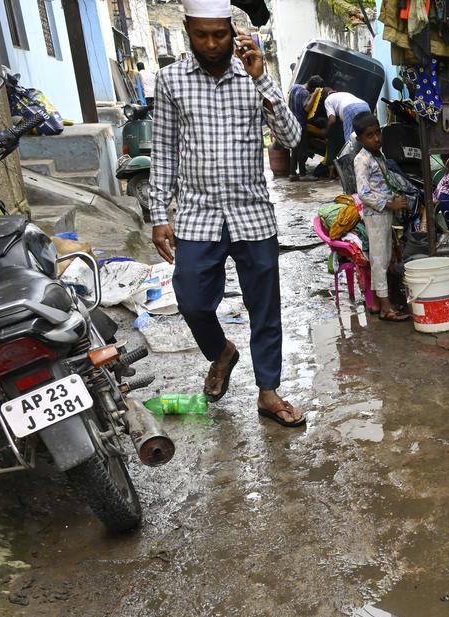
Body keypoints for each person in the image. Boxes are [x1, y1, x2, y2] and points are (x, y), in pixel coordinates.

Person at [149, 0, 307, 427]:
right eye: (202, 34)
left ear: (230, 28)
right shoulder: (170, 80)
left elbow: (291, 139)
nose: (212, 43)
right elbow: (162, 150)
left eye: (219, 34)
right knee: (192, 300)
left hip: (252, 212)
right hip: (198, 214)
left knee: (264, 307)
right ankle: (221, 352)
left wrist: (263, 82)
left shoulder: (252, 76)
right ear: (187, 30)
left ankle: (268, 392)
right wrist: (159, 213)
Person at [352, 113, 410, 322]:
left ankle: (377, 302)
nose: (376, 138)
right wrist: (389, 203)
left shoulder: (378, 154)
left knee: (383, 257)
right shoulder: (362, 159)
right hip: (375, 215)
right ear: (360, 139)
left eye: (378, 132)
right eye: (370, 135)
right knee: (379, 261)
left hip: (384, 214)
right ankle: (386, 307)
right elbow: (364, 193)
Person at [288, 75, 325, 181]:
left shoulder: (295, 87)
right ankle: (303, 174)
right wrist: (315, 95)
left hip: (292, 122)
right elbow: (307, 108)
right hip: (300, 123)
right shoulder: (305, 93)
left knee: (294, 148)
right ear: (314, 88)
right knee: (302, 149)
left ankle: (292, 173)